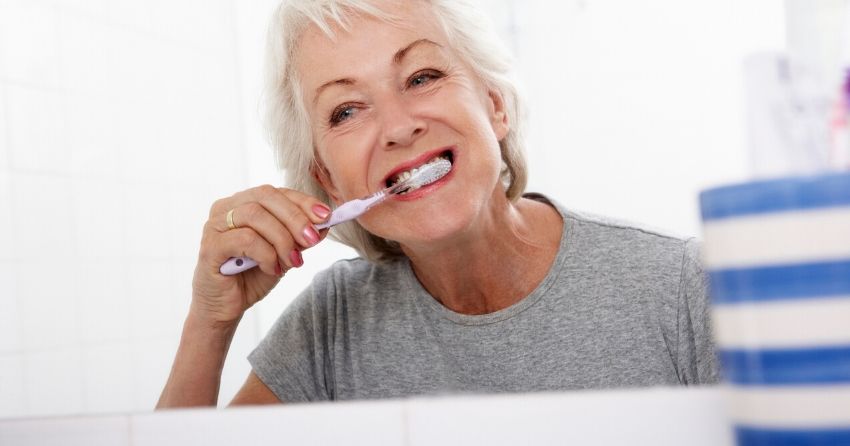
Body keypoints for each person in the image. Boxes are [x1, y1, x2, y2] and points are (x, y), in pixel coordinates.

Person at [157, 0, 718, 408]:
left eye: (422, 76)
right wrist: (210, 321)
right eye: (346, 110)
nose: (400, 127)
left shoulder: (683, 291)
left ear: (494, 106)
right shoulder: (331, 326)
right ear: (327, 179)